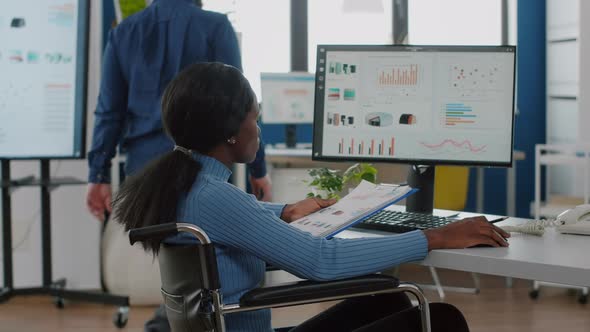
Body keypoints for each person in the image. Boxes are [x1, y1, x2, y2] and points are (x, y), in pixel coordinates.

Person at [113, 62, 511, 332]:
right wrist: (434, 238)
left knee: (387, 302)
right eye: (256, 116)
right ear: (232, 131)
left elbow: (237, 221)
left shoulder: (187, 182)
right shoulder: (212, 195)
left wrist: (284, 211)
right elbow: (321, 263)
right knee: (441, 319)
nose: (259, 128)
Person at [86, 0, 272, 222]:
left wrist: (98, 175)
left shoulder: (124, 33)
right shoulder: (215, 26)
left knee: (156, 251)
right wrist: (258, 170)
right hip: (204, 171)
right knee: (207, 252)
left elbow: (110, 113)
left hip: (144, 172)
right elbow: (240, 105)